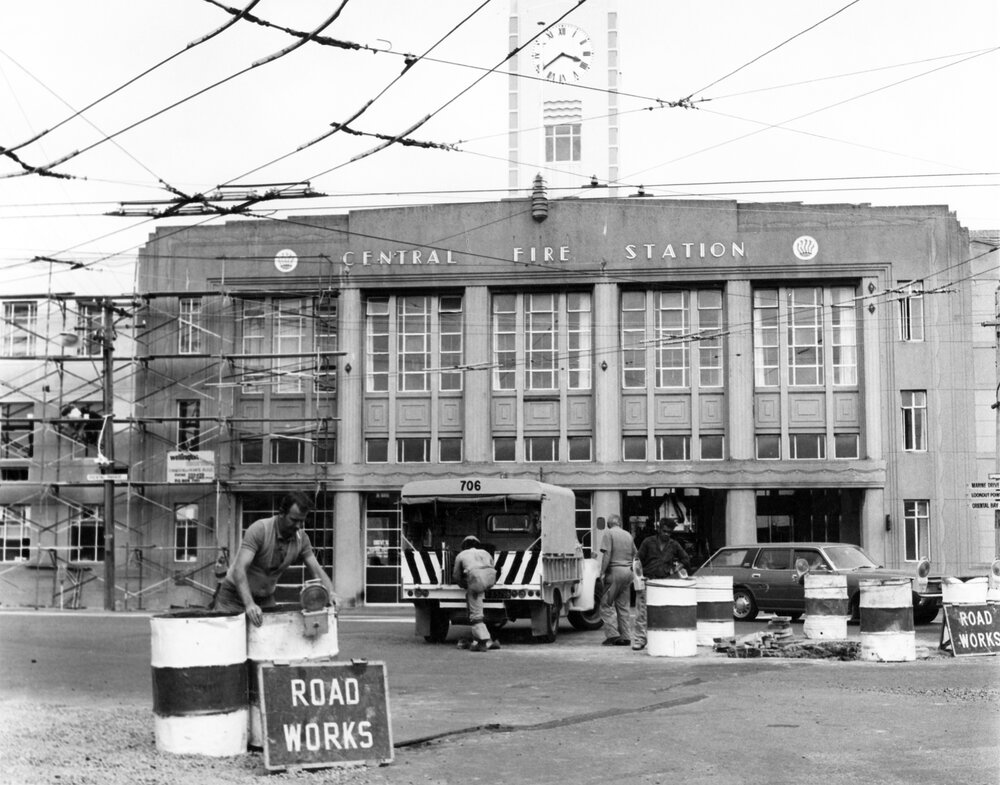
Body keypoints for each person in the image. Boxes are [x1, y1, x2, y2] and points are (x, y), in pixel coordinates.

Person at [213, 491, 336, 626]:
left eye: (302, 521)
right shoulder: (259, 530)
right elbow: (239, 569)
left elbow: (317, 571)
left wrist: (330, 593)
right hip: (233, 597)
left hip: (265, 598)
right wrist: (249, 604)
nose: (298, 526)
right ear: (281, 513)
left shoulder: (302, 539)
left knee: (269, 642)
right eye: (294, 520)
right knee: (230, 641)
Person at [631, 517, 692, 651]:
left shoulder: (674, 544)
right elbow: (637, 559)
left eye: (669, 532)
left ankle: (659, 638)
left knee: (662, 612)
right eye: (664, 531)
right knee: (641, 611)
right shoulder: (648, 542)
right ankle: (640, 639)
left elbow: (686, 559)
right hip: (647, 580)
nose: (667, 534)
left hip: (664, 582)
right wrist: (639, 576)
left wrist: (675, 569)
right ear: (659, 529)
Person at [452, 535, 500, 651]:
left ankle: (483, 642)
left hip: (476, 581)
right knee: (477, 603)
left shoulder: (461, 555)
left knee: (475, 614)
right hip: (491, 579)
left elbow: (456, 576)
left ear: (464, 546)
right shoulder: (485, 552)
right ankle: (488, 641)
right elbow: (491, 566)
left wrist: (464, 585)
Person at [598, 514, 636, 646]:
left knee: (606, 604)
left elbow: (607, 554)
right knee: (623, 606)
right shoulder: (628, 535)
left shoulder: (608, 533)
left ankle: (612, 635)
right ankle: (626, 636)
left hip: (614, 573)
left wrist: (602, 572)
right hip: (628, 573)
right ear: (619, 523)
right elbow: (635, 554)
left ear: (609, 524)